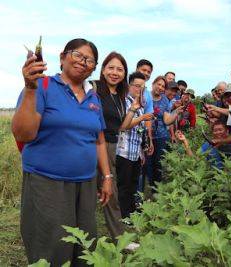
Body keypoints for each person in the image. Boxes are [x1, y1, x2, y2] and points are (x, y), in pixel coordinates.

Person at [12, 38, 112, 266]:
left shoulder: (93, 97)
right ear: (62, 57)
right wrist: (29, 88)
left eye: (90, 60)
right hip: (48, 183)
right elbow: (23, 134)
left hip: (86, 183)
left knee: (83, 244)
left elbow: (98, 140)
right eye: (78, 55)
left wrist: (106, 177)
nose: (83, 62)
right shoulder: (42, 86)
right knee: (51, 246)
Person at [94, 52, 128, 240]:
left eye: (120, 69)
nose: (115, 72)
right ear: (103, 69)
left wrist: (132, 110)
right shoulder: (93, 87)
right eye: (111, 67)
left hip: (112, 146)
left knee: (110, 192)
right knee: (86, 190)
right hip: (93, 144)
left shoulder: (121, 96)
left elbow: (121, 126)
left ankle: (119, 237)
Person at [116, 72, 153, 219]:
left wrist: (141, 152)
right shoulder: (124, 102)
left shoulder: (141, 105)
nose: (139, 89)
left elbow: (140, 131)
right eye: (137, 86)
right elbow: (124, 126)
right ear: (129, 85)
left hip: (135, 152)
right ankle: (123, 215)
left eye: (142, 87)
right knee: (123, 185)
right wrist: (143, 117)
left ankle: (131, 213)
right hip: (123, 151)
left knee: (133, 184)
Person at [145, 76, 182, 190]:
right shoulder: (145, 96)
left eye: (163, 86)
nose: (160, 88)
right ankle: (149, 186)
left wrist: (175, 112)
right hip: (146, 135)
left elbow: (166, 120)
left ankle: (157, 189)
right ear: (153, 83)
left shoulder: (165, 100)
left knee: (158, 163)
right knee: (148, 164)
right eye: (159, 84)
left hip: (161, 136)